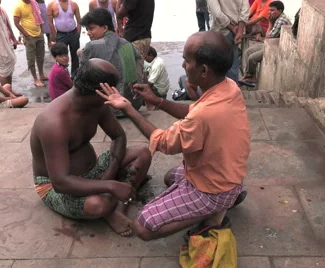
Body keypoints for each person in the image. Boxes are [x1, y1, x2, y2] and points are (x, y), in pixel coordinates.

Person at [96, 31, 250, 241]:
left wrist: (128, 108)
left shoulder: (205, 115)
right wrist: (157, 101)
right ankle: (226, 199)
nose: (184, 65)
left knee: (143, 226)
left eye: (187, 60)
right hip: (228, 174)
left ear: (204, 70)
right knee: (170, 177)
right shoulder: (229, 88)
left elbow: (163, 142)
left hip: (214, 188)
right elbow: (193, 112)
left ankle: (214, 211)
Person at [30, 58, 152, 236]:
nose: (115, 92)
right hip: (56, 186)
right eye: (112, 88)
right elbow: (60, 183)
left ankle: (117, 208)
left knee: (143, 153)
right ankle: (110, 208)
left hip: (95, 171)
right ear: (99, 90)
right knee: (98, 205)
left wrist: (109, 174)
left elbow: (118, 137)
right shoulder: (54, 123)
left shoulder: (96, 103)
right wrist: (110, 185)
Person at [79, 9, 144, 117]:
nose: (88, 33)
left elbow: (80, 78)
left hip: (112, 109)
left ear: (105, 28)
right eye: (87, 30)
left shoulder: (92, 46)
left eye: (91, 29)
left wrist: (82, 53)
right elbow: (138, 62)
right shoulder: (127, 43)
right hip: (134, 105)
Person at [240, 1, 291, 86]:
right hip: (270, 43)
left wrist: (270, 23)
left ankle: (250, 77)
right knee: (247, 52)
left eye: (272, 10)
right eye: (269, 10)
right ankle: (249, 75)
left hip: (275, 46)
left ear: (280, 11)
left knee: (252, 58)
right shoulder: (276, 17)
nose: (270, 12)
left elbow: (268, 37)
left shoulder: (280, 21)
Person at [207, 0, 249, 84]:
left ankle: (221, 92)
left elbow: (217, 14)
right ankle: (233, 91)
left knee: (217, 64)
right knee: (233, 64)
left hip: (221, 31)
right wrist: (239, 31)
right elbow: (245, 10)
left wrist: (232, 28)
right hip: (235, 31)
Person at [14, 0, 47, 87]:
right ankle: (35, 79)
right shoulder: (18, 6)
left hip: (39, 34)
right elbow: (16, 23)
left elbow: (39, 18)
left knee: (41, 56)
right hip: (29, 36)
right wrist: (26, 34)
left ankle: (41, 75)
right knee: (31, 59)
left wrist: (42, 32)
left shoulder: (34, 3)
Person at [47, 0, 81, 76]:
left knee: (75, 56)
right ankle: (63, 75)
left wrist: (78, 33)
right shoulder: (52, 5)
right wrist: (55, 35)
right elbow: (50, 22)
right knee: (61, 56)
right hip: (60, 34)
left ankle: (75, 76)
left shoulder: (73, 4)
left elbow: (79, 20)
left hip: (73, 33)